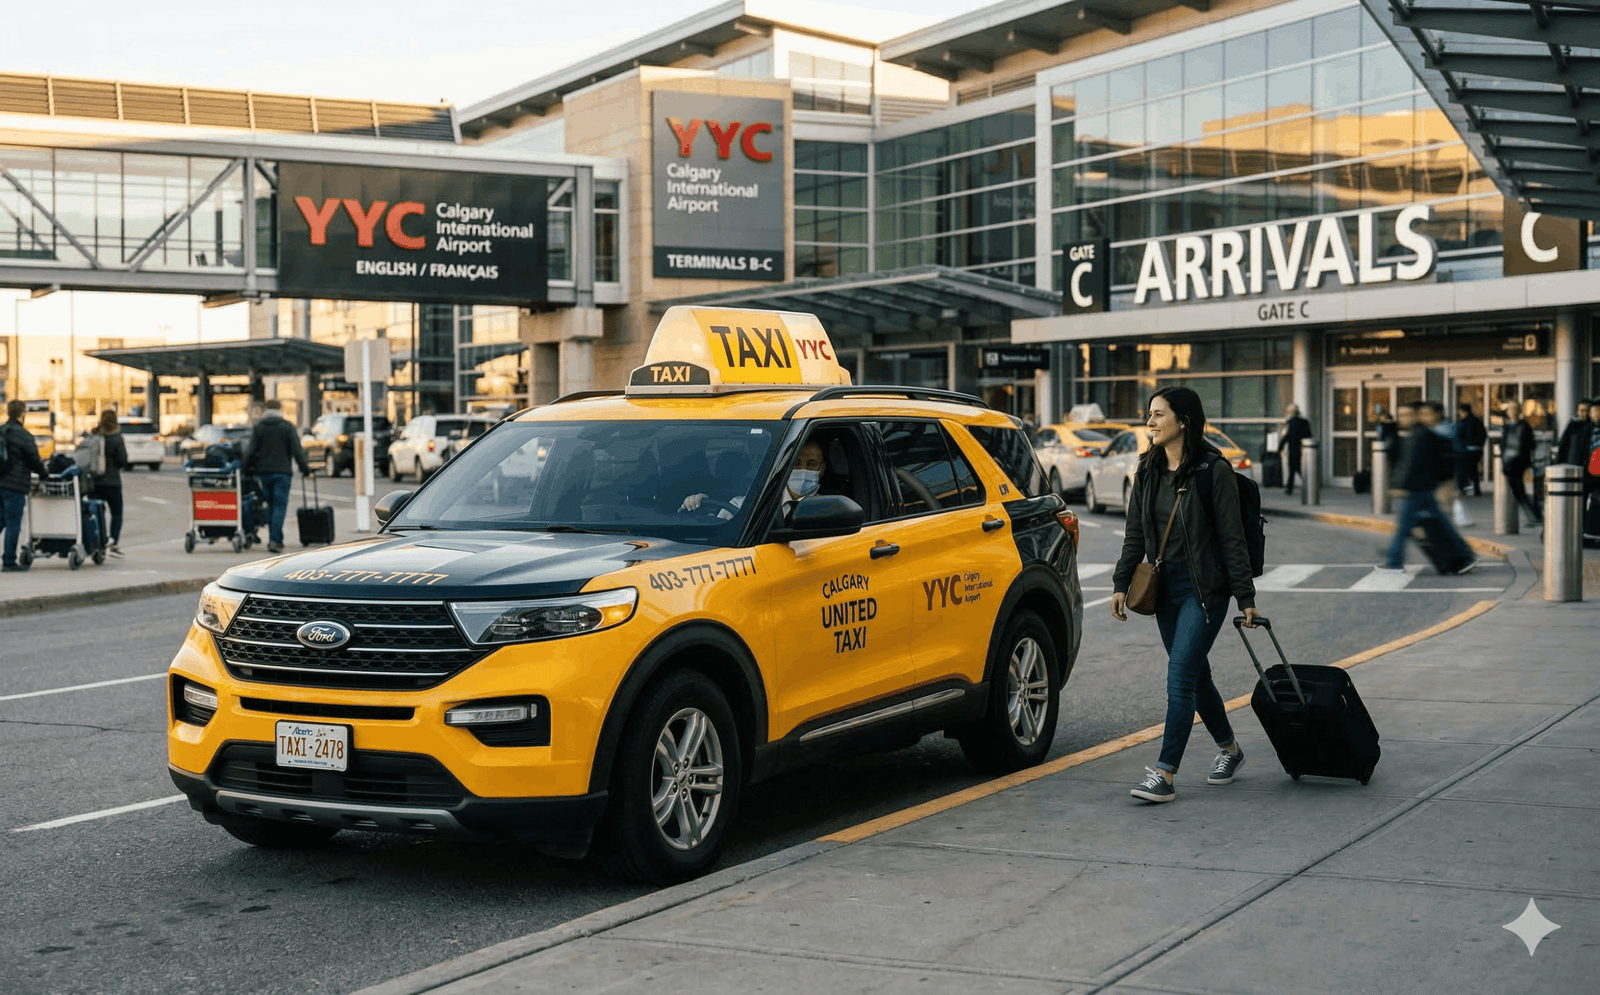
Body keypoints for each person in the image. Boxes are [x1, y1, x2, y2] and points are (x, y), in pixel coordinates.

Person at [1111, 386, 1259, 804]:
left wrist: (1245, 596)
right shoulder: (1147, 469)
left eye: (1159, 415)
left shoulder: (1214, 471)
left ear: (1184, 422)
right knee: (1197, 675)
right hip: (1164, 588)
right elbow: (1135, 533)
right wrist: (1122, 582)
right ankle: (1231, 750)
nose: (1150, 423)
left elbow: (1233, 540)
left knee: (1179, 678)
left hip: (1205, 590)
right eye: (1149, 415)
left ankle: (1165, 773)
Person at [1381, 401, 1476, 575]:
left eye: (1406, 415)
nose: (1401, 419)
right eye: (1399, 415)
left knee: (1404, 526)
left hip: (1417, 488)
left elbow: (1410, 464)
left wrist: (1398, 485)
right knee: (1439, 522)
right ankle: (1464, 555)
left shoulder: (1419, 435)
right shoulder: (1419, 434)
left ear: (1415, 416)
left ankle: (1394, 560)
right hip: (1423, 488)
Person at [679, 440, 825, 523]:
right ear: (787, 465)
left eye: (812, 464)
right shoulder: (743, 504)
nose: (803, 470)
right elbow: (719, 531)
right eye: (796, 463)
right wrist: (698, 506)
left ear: (822, 468)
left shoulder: (831, 509)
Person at [243, 400, 311, 553]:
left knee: (270, 505)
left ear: (265, 409)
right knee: (279, 506)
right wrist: (305, 469)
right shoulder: (287, 427)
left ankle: (276, 538)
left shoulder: (259, 428)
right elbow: (297, 451)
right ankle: (274, 540)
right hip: (282, 473)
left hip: (264, 474)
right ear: (280, 409)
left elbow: (250, 451)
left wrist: (244, 470)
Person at [1, 399, 49, 572]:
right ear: (22, 414)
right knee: (13, 524)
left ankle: (8, 558)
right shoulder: (23, 435)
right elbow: (34, 460)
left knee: (1, 522)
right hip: (14, 486)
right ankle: (8, 561)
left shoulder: (1, 431)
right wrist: (44, 475)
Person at [88, 410, 131, 556]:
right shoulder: (116, 438)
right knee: (116, 513)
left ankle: (98, 543)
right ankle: (113, 544)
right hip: (112, 482)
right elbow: (123, 461)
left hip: (94, 483)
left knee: (97, 514)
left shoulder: (94, 436)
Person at [1497, 399, 1541, 524]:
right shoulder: (1507, 426)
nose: (1512, 411)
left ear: (1520, 410)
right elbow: (1503, 443)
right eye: (1510, 409)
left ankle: (1535, 516)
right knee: (1518, 492)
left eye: (1515, 408)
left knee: (1523, 491)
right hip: (1509, 464)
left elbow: (1531, 444)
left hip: (1522, 464)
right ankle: (1534, 515)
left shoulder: (1524, 426)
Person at [1277, 403, 1312, 495]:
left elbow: (1287, 436)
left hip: (1294, 448)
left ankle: (1291, 488)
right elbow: (1308, 435)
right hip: (1304, 448)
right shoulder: (1304, 422)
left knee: (1294, 469)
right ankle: (1307, 485)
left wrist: (1280, 447)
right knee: (1298, 468)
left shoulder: (1291, 423)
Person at [1453, 403, 1487, 496]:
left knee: (1461, 470)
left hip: (1466, 450)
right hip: (1477, 450)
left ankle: (1462, 489)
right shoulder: (1478, 421)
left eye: (1460, 412)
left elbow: (1462, 436)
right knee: (1473, 470)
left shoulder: (1464, 423)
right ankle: (1476, 489)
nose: (1459, 414)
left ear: (1464, 412)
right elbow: (1484, 434)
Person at [1555, 398, 1593, 466]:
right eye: (1582, 411)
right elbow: (1563, 445)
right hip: (1572, 465)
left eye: (1588, 411)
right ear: (1577, 412)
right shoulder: (1573, 425)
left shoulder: (1594, 427)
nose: (1585, 414)